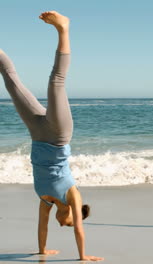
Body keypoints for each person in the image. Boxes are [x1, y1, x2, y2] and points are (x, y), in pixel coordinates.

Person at [0, 11, 103, 261]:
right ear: (73, 212)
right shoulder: (72, 195)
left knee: (10, 81)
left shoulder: (45, 200)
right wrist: (83, 257)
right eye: (67, 222)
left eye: (65, 224)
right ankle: (64, 28)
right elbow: (79, 229)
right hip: (58, 136)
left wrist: (43, 251)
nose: (63, 224)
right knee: (56, 81)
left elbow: (42, 226)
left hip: (36, 134)